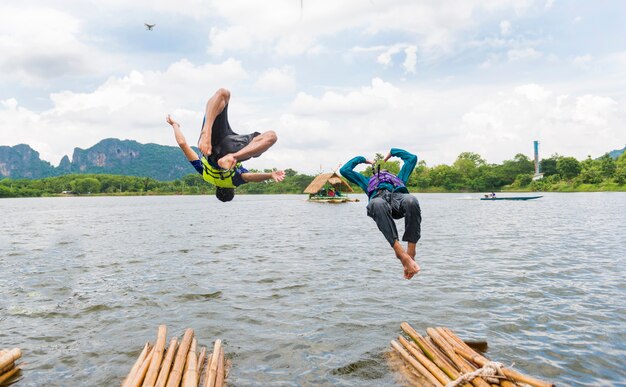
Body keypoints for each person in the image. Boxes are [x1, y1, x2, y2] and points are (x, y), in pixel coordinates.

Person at [166, 88, 284, 202]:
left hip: (229, 152)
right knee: (223, 94)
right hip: (210, 147)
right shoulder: (204, 173)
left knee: (271, 136)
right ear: (217, 188)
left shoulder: (234, 181)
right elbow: (182, 143)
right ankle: (207, 131)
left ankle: (231, 154)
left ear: (232, 189)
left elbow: (250, 177)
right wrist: (175, 125)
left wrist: (270, 175)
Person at [340, 148, 421, 279]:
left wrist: (393, 152)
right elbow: (345, 170)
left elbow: (412, 158)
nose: (384, 172)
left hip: (398, 199)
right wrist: (363, 159)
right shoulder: (367, 181)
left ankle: (411, 252)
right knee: (377, 204)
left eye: (386, 172)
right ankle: (400, 253)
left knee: (411, 200)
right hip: (379, 200)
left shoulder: (399, 179)